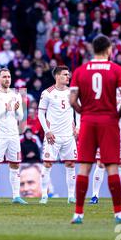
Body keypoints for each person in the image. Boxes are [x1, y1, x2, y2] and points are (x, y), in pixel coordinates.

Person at [69, 35, 121, 224]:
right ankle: (118, 214)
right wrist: (116, 115)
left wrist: (85, 113)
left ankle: (78, 214)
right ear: (108, 49)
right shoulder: (117, 69)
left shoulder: (80, 71)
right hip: (108, 122)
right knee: (112, 166)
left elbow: (72, 100)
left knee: (85, 167)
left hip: (88, 121)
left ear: (93, 49)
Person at [0, 68, 26, 205]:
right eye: (4, 77)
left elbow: (20, 116)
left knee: (15, 165)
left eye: (9, 76)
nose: (7, 79)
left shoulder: (16, 95)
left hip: (13, 134)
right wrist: (5, 110)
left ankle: (16, 196)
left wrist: (16, 110)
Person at [38, 65, 77, 204]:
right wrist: (47, 131)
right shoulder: (47, 93)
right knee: (47, 164)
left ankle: (71, 196)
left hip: (68, 136)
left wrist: (77, 127)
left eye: (68, 74)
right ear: (57, 76)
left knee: (71, 164)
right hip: (53, 136)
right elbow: (40, 113)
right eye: (65, 74)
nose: (68, 77)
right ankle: (44, 195)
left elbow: (78, 111)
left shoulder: (72, 92)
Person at [90, 86, 121, 205]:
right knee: (101, 163)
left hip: (120, 133)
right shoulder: (99, 90)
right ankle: (94, 196)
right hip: (103, 133)